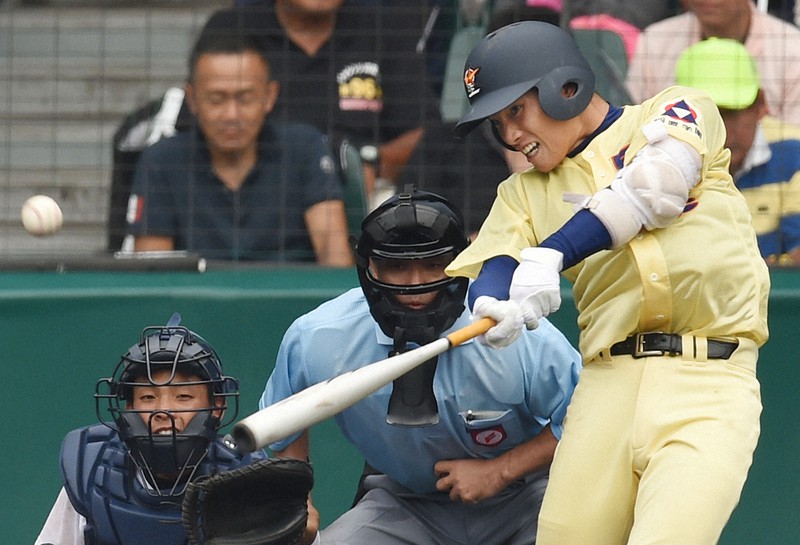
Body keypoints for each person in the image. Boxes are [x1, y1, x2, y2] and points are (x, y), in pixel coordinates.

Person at [447, 21, 769, 545]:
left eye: (515, 111)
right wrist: (493, 307)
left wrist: (554, 253)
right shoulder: (521, 193)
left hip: (710, 379)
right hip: (604, 388)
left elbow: (656, 187)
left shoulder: (676, 109)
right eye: (497, 123)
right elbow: (496, 266)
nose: (510, 135)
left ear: (564, 86)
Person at [261, 187, 581, 544]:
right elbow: (283, 422)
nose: (416, 285)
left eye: (433, 265)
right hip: (404, 503)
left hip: (526, 497)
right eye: (397, 267)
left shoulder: (510, 328)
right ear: (369, 266)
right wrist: (297, 503)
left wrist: (499, 471)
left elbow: (585, 417)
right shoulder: (319, 336)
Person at [34, 314, 275, 545]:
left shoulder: (247, 478)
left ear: (216, 408)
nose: (164, 412)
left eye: (183, 396)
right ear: (129, 408)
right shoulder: (92, 467)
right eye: (148, 397)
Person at [126, 30, 353, 265]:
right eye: (216, 99)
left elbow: (334, 258)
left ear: (269, 96)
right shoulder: (161, 161)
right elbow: (152, 270)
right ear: (192, 99)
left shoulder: (305, 149)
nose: (231, 115)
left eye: (244, 98)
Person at [201, 0, 440, 199]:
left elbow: (428, 134)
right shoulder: (233, 28)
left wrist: (371, 162)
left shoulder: (382, 27)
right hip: (254, 191)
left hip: (360, 194)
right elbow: (195, 129)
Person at [675, 37, 800, 266]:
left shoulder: (796, 156)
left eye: (731, 113)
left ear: (760, 104)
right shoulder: (656, 161)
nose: (721, 131)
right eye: (708, 116)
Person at [626, 0, 800, 125]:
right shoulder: (653, 41)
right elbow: (634, 129)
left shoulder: (794, 49)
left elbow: (794, 143)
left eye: (730, 113)